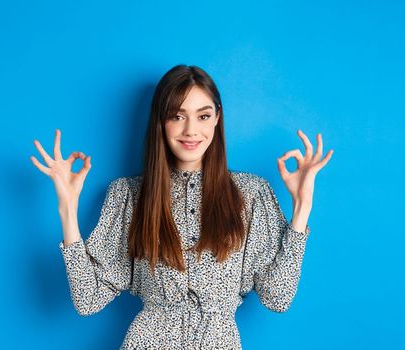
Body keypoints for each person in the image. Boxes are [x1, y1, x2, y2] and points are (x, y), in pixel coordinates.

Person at [29, 64, 333, 349]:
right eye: (177, 116)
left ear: (217, 118)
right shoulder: (129, 195)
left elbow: (277, 296)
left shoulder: (251, 194)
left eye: (202, 116)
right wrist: (67, 209)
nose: (190, 130)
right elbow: (88, 299)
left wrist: (302, 207)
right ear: (161, 121)